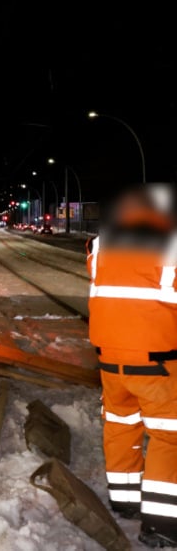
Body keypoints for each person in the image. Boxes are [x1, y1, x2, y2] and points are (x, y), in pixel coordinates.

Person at [87, 184, 177, 548]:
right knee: (169, 436)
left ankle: (125, 501)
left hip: (110, 360)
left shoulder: (102, 243)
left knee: (121, 425)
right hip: (157, 362)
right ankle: (162, 524)